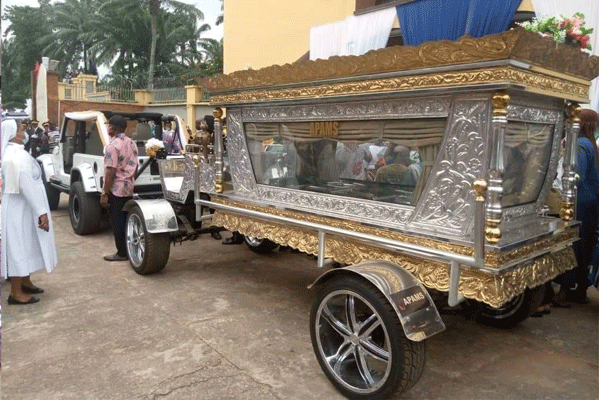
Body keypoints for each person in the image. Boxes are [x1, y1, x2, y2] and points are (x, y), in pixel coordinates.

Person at [1, 119, 58, 304]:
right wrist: (41, 212)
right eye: (21, 129)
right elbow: (25, 185)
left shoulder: (15, 152)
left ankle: (25, 281)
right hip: (19, 210)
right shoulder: (14, 156)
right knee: (18, 247)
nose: (24, 132)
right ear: (12, 133)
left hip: (24, 208)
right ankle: (15, 293)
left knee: (27, 244)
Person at [554, 109, 599, 305]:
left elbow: (575, 178)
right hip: (590, 203)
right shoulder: (591, 144)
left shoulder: (580, 145)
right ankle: (581, 290)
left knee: (571, 245)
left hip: (578, 203)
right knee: (585, 244)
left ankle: (565, 291)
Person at [100, 115, 139, 262]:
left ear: (114, 128)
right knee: (127, 221)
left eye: (109, 126)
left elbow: (110, 171)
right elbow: (136, 167)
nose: (107, 128)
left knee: (117, 222)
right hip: (128, 187)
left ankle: (122, 253)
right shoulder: (132, 143)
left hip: (116, 189)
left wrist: (104, 193)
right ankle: (129, 250)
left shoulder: (112, 146)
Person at [193, 115, 224, 241]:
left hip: (213, 171)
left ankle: (215, 229)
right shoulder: (198, 135)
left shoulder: (217, 136)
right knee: (198, 198)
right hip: (200, 169)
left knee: (213, 201)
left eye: (205, 122)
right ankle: (196, 228)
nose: (202, 123)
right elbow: (194, 149)